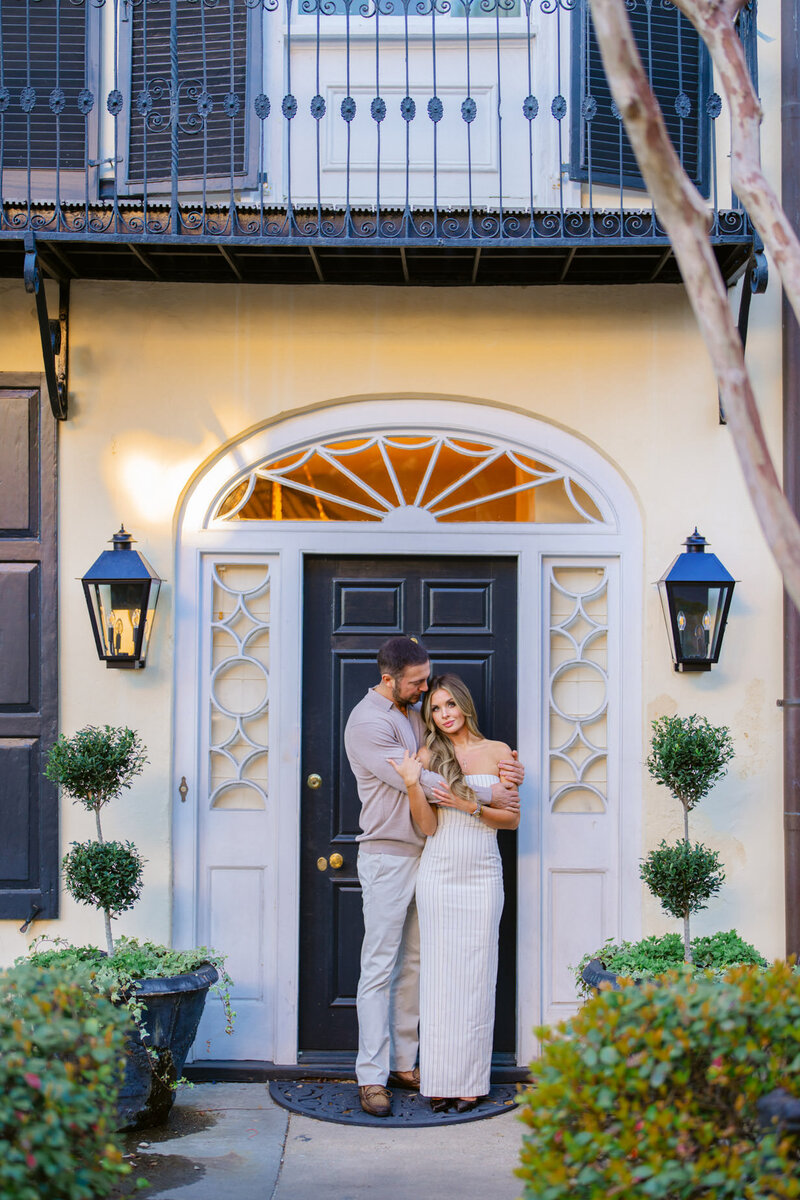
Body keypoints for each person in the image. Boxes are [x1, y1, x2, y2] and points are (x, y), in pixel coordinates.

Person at [344, 637, 524, 1117]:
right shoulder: (367, 723)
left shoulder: (409, 714)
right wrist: (490, 792)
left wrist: (507, 769)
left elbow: (447, 757)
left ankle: (405, 1063)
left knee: (417, 966)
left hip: (431, 855)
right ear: (390, 680)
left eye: (432, 685)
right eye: (419, 683)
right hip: (387, 854)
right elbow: (428, 782)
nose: (426, 692)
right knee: (379, 966)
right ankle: (370, 1077)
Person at [388, 673, 520, 1113]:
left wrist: (470, 805)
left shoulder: (499, 752)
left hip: (483, 872)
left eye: (449, 705)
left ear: (463, 705)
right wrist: (412, 782)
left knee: (478, 976)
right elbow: (426, 826)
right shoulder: (429, 755)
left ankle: (470, 1082)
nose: (444, 715)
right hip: (440, 873)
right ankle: (441, 1082)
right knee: (440, 980)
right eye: (436, 708)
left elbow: (512, 821)